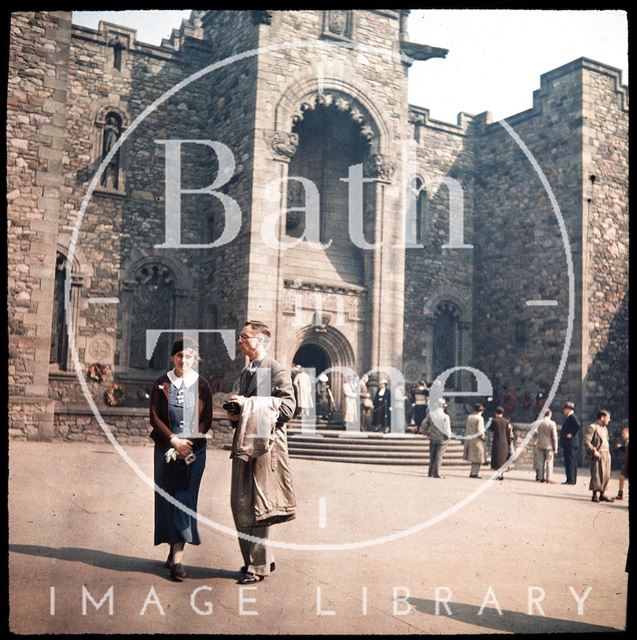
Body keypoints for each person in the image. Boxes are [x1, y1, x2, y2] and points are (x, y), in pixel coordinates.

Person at [225, 321, 297, 583]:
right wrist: (236, 411)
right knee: (239, 503)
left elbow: (288, 408)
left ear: (261, 341)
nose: (240, 341)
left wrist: (248, 404)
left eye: (245, 337)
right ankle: (260, 559)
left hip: (265, 448)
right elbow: (246, 409)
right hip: (244, 442)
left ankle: (257, 566)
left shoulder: (275, 369)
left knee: (257, 506)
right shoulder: (247, 372)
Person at [149, 337, 213, 582]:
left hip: (194, 453)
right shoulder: (162, 383)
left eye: (188, 356)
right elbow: (154, 416)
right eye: (179, 356)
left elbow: (206, 419)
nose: (183, 360)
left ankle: (177, 559)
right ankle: (172, 545)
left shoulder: (203, 385)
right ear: (172, 357)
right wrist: (173, 440)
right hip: (166, 450)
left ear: (195, 359)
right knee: (168, 499)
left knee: (184, 500)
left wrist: (189, 442)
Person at [583, 409, 614, 503]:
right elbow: (586, 441)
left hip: (606, 454)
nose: (609, 420)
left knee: (606, 475)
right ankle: (594, 494)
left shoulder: (605, 429)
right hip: (597, 454)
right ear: (602, 417)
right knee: (596, 474)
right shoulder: (593, 427)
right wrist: (593, 451)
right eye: (608, 418)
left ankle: (602, 493)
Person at [421, 397, 451, 478]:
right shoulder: (445, 416)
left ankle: (430, 471)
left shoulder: (431, 414)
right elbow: (446, 428)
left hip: (433, 436)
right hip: (442, 437)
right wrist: (448, 436)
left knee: (432, 455)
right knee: (439, 455)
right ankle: (436, 472)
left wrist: (426, 432)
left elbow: (423, 424)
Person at [488, 406, 514, 480]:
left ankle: (497, 474)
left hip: (496, 442)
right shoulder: (506, 421)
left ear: (496, 413)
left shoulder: (494, 421)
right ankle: (501, 474)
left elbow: (490, 429)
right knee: (503, 459)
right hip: (505, 442)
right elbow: (508, 433)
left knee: (497, 459)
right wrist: (509, 443)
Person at [560, 401, 581, 485]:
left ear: (569, 409)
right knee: (570, 461)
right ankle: (571, 479)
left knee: (570, 461)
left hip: (571, 443)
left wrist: (572, 434)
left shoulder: (572, 417)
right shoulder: (570, 417)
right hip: (570, 443)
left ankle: (571, 479)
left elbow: (577, 425)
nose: (564, 411)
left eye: (565, 409)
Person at [535, 408, 558, 483]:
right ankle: (548, 477)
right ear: (549, 414)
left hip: (540, 444)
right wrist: (555, 447)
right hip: (549, 445)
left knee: (540, 462)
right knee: (549, 462)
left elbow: (535, 434)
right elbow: (554, 437)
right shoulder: (552, 423)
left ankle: (540, 477)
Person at [463, 403, 486, 478]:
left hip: (470, 439)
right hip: (477, 440)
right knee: (478, 457)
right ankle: (474, 473)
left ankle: (473, 472)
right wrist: (483, 437)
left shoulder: (469, 417)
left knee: (474, 457)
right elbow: (480, 430)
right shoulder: (480, 418)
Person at [615, 424, 629, 500]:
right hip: (627, 463)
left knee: (621, 476)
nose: (622, 435)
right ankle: (620, 493)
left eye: (624, 433)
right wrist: (620, 448)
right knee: (621, 477)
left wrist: (621, 447)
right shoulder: (626, 442)